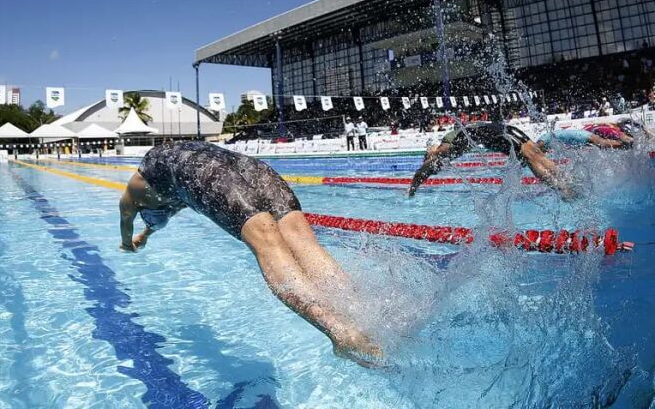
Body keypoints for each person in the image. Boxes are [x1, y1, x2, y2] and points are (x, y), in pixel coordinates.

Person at [119, 141, 382, 366]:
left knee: (268, 244)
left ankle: (341, 332)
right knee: (303, 241)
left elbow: (126, 221)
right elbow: (169, 208)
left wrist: (127, 242)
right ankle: (365, 316)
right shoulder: (169, 182)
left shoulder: (133, 196)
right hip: (249, 166)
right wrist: (146, 235)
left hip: (208, 173)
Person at [407, 121, 573, 198]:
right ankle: (567, 181)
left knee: (530, 158)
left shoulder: (444, 147)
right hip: (501, 128)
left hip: (493, 133)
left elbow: (423, 171)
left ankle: (562, 188)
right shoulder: (456, 138)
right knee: (536, 153)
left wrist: (412, 190)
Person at [536, 127, 628, 151]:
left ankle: (625, 145)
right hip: (579, 135)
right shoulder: (547, 138)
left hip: (580, 135)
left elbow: (536, 150)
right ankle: (624, 145)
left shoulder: (542, 139)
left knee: (601, 143)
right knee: (601, 144)